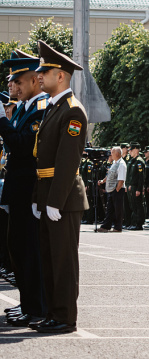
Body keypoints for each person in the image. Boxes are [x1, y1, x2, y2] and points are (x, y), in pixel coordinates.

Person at [29, 40, 90, 334]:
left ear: (61, 76)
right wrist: (37, 198)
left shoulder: (72, 111)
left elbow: (67, 162)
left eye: (46, 71)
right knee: (49, 259)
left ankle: (65, 317)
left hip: (63, 199)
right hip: (48, 196)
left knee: (63, 261)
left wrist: (54, 201)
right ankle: (53, 312)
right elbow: (41, 160)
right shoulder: (53, 108)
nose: (39, 76)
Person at [0, 51, 48, 326]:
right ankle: (28, 302)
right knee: (17, 248)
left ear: (33, 80)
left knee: (29, 250)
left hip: (28, 189)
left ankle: (36, 307)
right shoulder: (24, 108)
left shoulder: (39, 109)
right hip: (18, 189)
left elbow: (21, 146)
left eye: (17, 82)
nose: (13, 87)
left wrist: (1, 123)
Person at [97, 147, 126, 233]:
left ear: (117, 154)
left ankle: (118, 227)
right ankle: (106, 226)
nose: (111, 155)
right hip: (112, 189)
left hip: (117, 189)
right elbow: (110, 174)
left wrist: (117, 189)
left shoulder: (121, 164)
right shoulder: (114, 163)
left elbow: (121, 179)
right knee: (110, 208)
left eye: (112, 153)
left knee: (118, 209)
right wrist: (103, 181)